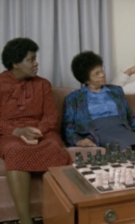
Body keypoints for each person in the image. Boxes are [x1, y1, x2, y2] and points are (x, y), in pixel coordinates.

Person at [0, 37, 72, 224]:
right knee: (14, 150)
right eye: (31, 59)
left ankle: (61, 216)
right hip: (9, 133)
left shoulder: (43, 84)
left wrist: (36, 131)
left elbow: (50, 116)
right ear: (15, 63)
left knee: (55, 148)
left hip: (42, 132)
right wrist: (17, 132)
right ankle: (25, 220)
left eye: (35, 58)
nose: (36, 63)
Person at [62, 51, 135, 151]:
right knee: (124, 148)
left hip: (121, 128)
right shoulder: (74, 98)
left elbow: (130, 116)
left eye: (101, 70)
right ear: (86, 79)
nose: (102, 75)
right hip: (98, 132)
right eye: (96, 74)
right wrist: (78, 141)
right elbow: (68, 126)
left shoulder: (116, 91)